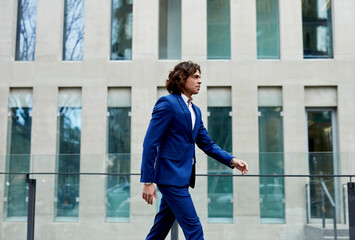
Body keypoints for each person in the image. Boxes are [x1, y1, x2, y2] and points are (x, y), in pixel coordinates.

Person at [140, 61, 248, 240]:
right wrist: (147, 180)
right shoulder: (167, 103)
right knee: (195, 230)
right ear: (183, 79)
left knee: (159, 230)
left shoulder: (195, 111)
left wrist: (232, 160)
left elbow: (207, 144)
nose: (200, 81)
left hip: (181, 178)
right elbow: (150, 143)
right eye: (196, 77)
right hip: (170, 178)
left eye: (200, 77)